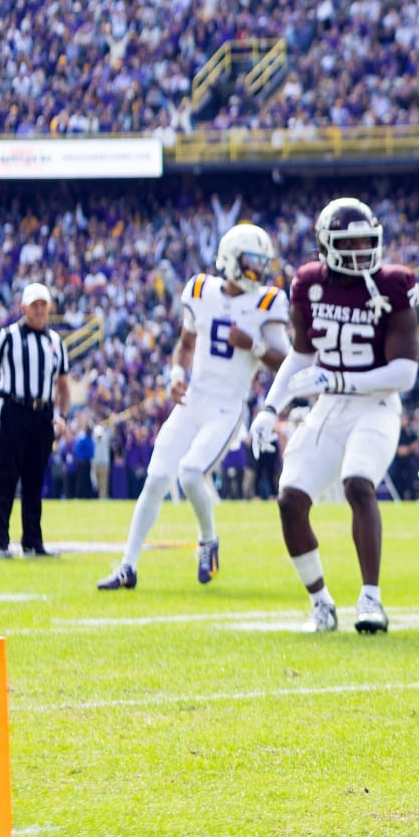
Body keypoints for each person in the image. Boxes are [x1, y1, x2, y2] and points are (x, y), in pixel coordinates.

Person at [249, 198, 419, 633]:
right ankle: (321, 603)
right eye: (351, 241)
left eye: (367, 240)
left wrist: (338, 381)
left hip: (376, 405)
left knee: (358, 483)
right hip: (331, 406)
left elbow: (404, 372)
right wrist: (271, 408)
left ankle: (371, 600)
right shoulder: (308, 283)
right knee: (290, 499)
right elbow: (301, 355)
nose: (362, 248)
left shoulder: (393, 284)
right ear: (326, 247)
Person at [98, 224, 290, 590]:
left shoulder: (268, 301)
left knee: (189, 474)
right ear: (231, 260)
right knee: (155, 479)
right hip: (193, 400)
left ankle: (208, 540)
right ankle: (128, 565)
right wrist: (174, 374)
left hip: (227, 407)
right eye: (251, 262)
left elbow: (286, 360)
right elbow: (185, 344)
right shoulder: (201, 289)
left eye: (262, 263)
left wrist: (255, 345)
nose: (258, 271)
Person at [0, 282, 70, 558]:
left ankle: (32, 541)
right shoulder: (9, 336)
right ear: (23, 308)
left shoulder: (56, 343)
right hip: (14, 409)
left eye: (43, 305)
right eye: (34, 305)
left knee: (36, 479)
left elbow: (63, 385)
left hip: (43, 413)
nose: (39, 310)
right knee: (7, 476)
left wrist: (61, 416)